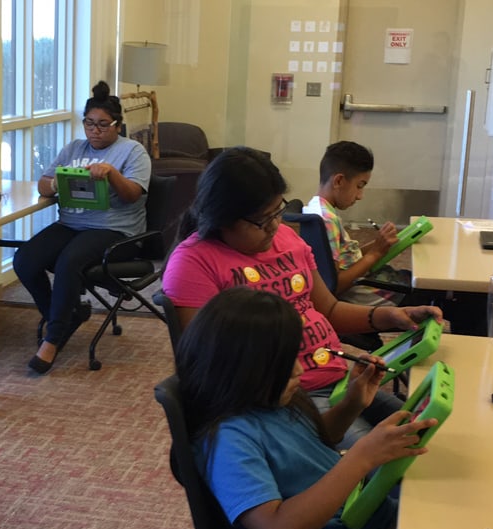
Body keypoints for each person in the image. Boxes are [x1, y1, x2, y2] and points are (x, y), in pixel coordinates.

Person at [162, 147, 442, 449]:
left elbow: (330, 310)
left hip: (337, 380)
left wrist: (388, 318)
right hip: (285, 401)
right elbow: (205, 365)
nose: (273, 226)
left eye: (276, 212)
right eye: (261, 220)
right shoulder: (193, 263)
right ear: (223, 217)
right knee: (392, 462)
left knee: (430, 435)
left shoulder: (287, 239)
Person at [177, 287, 436, 529]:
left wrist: (351, 405)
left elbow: (309, 445)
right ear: (243, 370)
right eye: (286, 364)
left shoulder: (274, 399)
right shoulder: (228, 442)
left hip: (372, 523)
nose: (299, 370)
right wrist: (361, 458)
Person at [14, 80, 151, 374]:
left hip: (116, 231)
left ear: (117, 125)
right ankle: (65, 314)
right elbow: (43, 183)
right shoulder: (74, 148)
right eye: (89, 124)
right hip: (72, 223)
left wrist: (112, 174)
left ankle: (53, 338)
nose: (95, 131)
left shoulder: (133, 152)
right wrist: (53, 184)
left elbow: (132, 195)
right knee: (24, 259)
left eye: (103, 125)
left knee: (69, 262)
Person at [302, 141, 406, 306]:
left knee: (409, 278)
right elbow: (334, 285)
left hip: (368, 284)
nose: (360, 196)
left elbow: (346, 258)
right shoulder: (326, 220)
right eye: (359, 186)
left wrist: (380, 243)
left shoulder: (316, 209)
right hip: (369, 294)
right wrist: (375, 254)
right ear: (339, 181)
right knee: (429, 294)